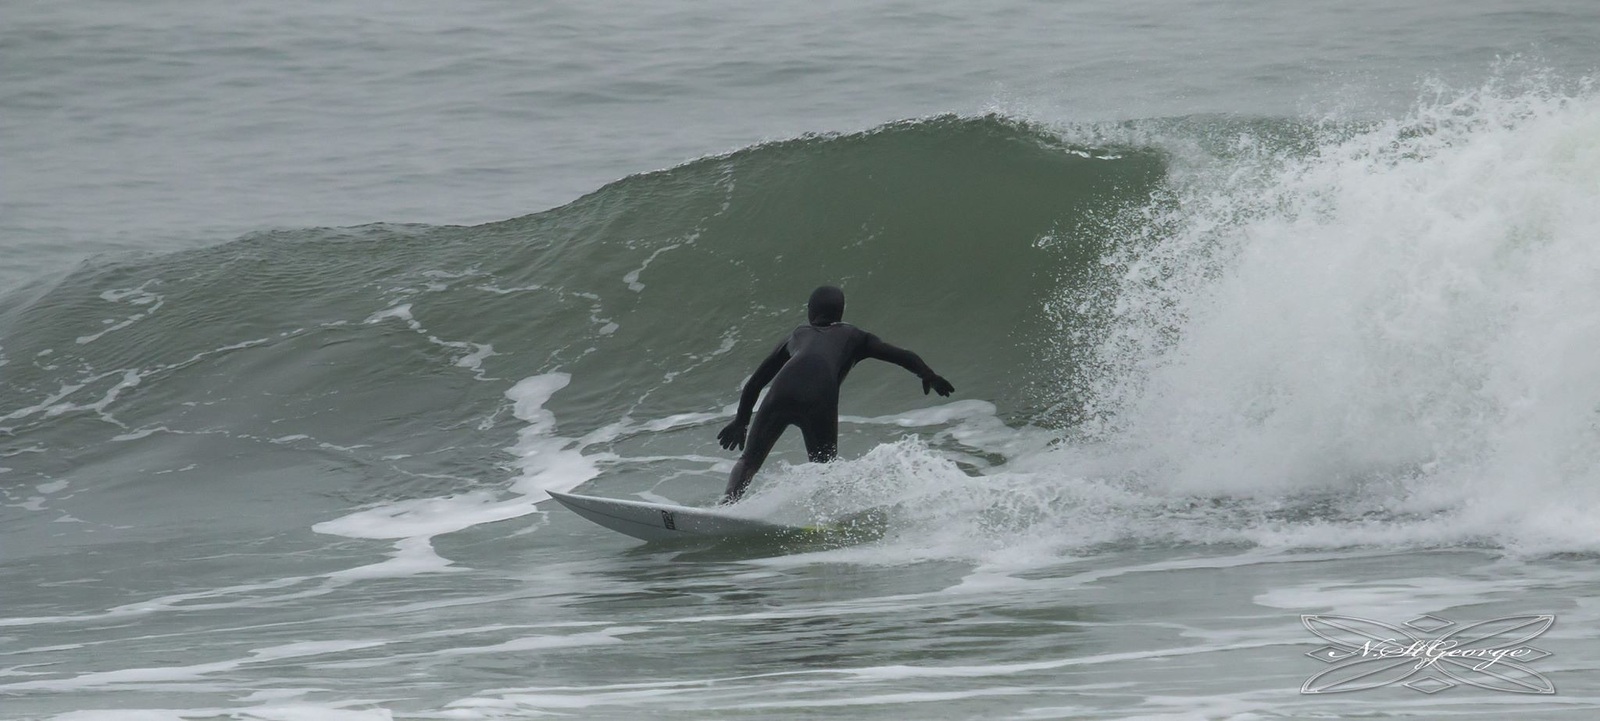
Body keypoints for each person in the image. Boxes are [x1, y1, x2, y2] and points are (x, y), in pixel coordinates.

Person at [715, 285, 954, 503]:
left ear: (811, 311)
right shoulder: (856, 337)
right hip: (819, 400)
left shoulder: (798, 334)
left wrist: (741, 421)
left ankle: (727, 503)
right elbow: (903, 356)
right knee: (824, 469)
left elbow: (757, 381)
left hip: (782, 392)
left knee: (748, 461)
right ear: (841, 312)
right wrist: (928, 375)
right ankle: (820, 521)